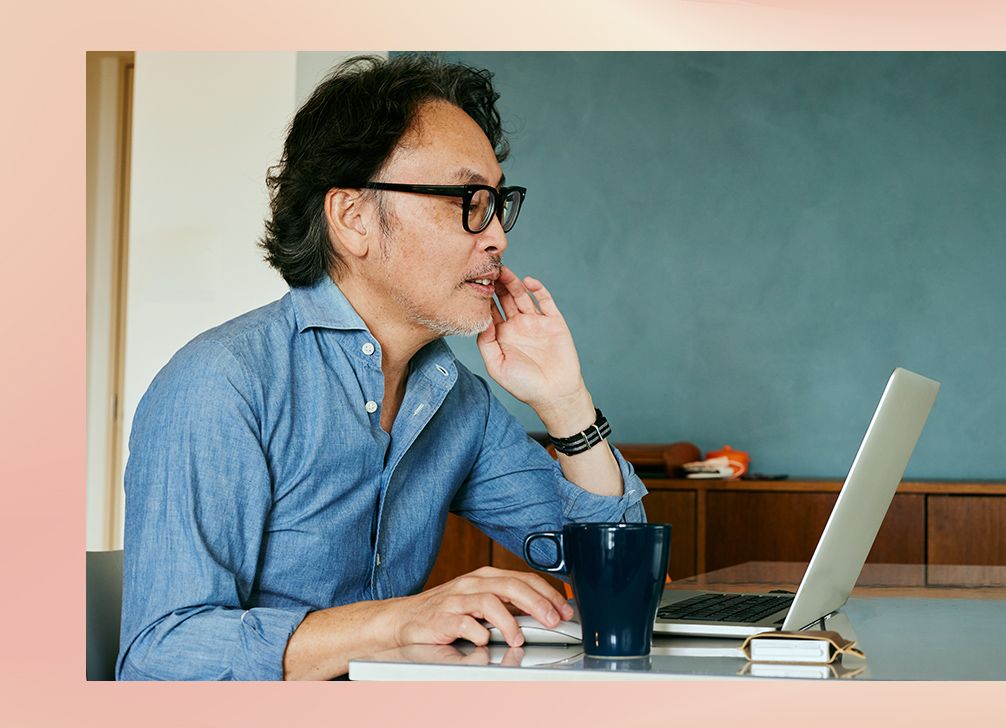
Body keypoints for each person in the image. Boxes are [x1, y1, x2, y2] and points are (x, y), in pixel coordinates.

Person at [116, 55, 647, 681]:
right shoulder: (222, 383)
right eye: (467, 201)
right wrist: (396, 622)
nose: (497, 235)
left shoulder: (456, 400)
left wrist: (565, 402)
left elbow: (618, 576)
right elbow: (160, 655)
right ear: (353, 219)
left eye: (499, 202)